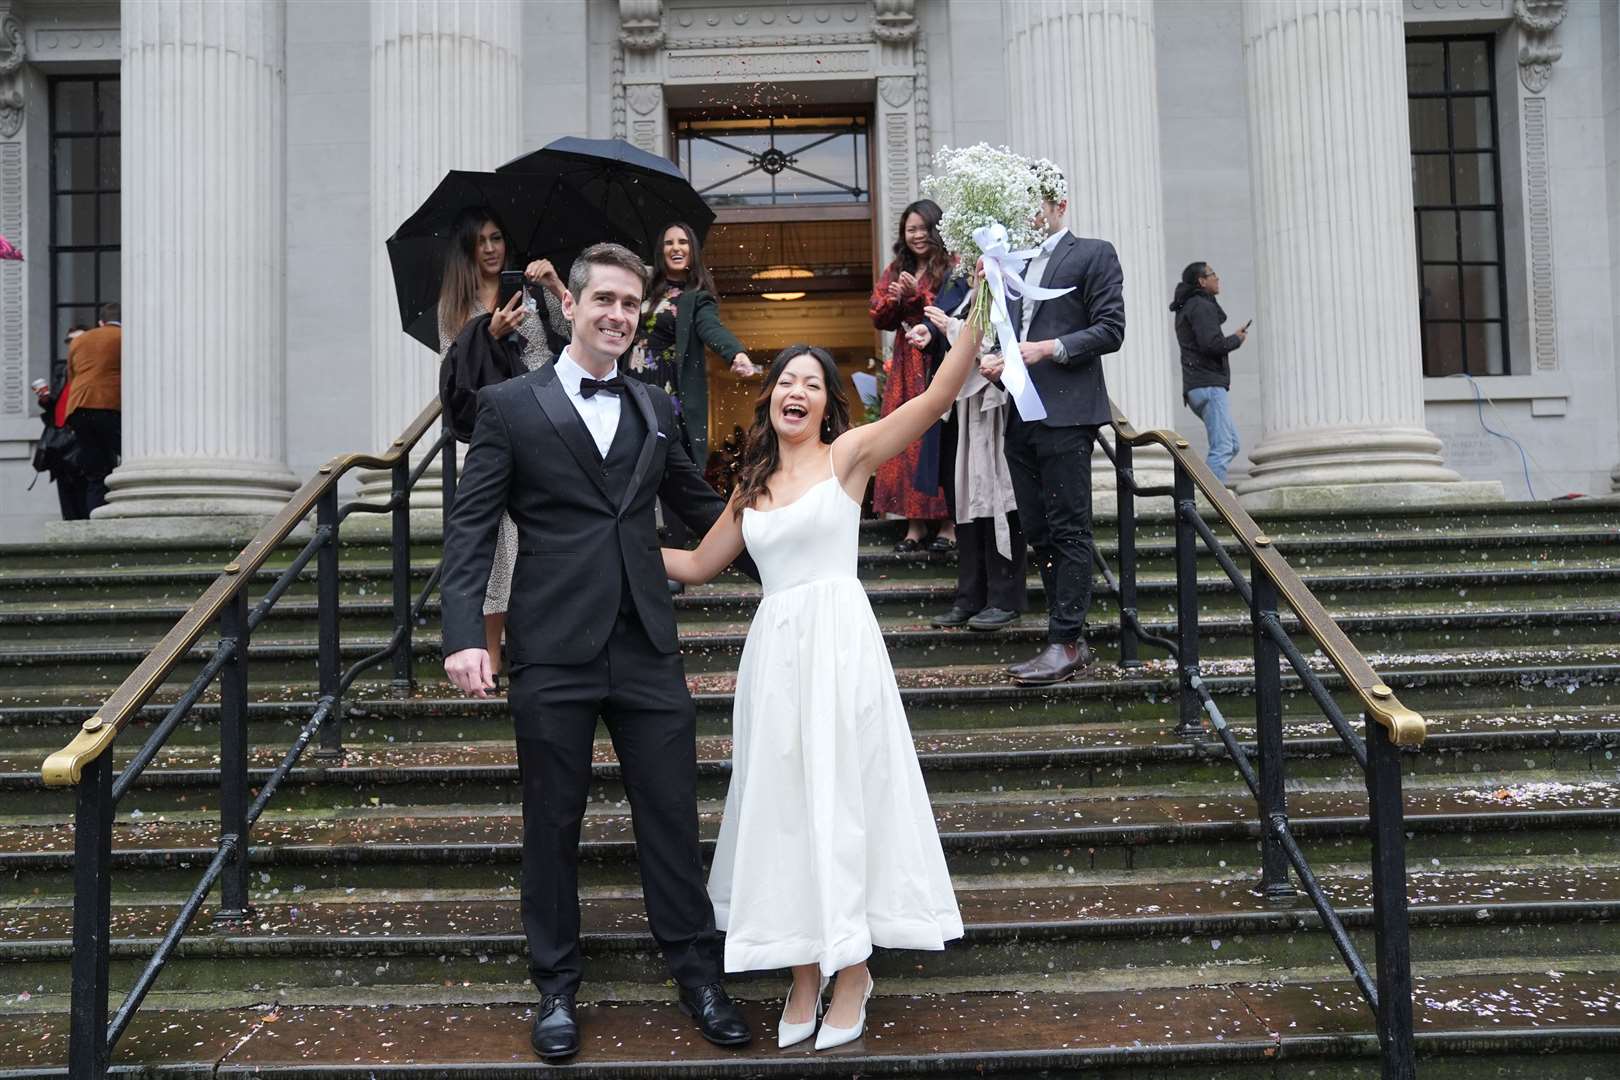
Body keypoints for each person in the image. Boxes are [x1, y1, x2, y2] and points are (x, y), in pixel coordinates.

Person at [440, 243, 754, 1062]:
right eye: (604, 300)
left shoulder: (654, 406)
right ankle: (555, 987)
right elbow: (472, 526)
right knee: (552, 820)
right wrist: (465, 634)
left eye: (629, 303)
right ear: (571, 306)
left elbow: (694, 504)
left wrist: (793, 552)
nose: (617, 314)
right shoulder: (509, 406)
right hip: (551, 647)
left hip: (647, 644)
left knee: (672, 816)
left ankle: (698, 973)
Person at [662, 305, 985, 1052]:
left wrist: (979, 304)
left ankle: (853, 970)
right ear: (770, 397)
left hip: (840, 646)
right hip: (775, 658)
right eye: (785, 381)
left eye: (811, 382)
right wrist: (603, 545)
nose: (796, 390)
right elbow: (693, 566)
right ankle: (805, 969)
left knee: (842, 796)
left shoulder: (850, 457)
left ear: (825, 401)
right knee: (784, 807)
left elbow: (935, 400)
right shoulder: (749, 487)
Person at [1001, 169, 1126, 686]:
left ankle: (1067, 641)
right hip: (1018, 411)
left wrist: (1050, 349)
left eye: (1038, 206)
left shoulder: (1093, 253)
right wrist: (998, 361)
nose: (1030, 217)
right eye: (1022, 208)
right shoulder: (1009, 265)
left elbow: (1111, 328)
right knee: (1038, 529)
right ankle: (1060, 630)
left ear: (1060, 206)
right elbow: (1011, 334)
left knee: (1069, 526)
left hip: (1068, 411)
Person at [436, 205, 570, 674]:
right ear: (468, 249)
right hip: (496, 425)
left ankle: (535, 652)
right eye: (482, 241)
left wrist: (555, 284)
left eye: (497, 238)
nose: (492, 249)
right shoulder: (455, 304)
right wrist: (486, 336)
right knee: (496, 541)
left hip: (549, 417)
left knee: (541, 532)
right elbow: (451, 372)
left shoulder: (530, 289)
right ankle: (489, 657)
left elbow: (578, 332)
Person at [911, 289, 1028, 632]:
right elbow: (954, 340)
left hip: (998, 410)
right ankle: (971, 596)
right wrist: (932, 336)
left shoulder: (1014, 293)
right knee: (967, 501)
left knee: (999, 498)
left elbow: (1001, 344)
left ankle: (1004, 597)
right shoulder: (966, 293)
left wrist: (951, 328)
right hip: (964, 411)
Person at [870, 199, 957, 553]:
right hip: (906, 366)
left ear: (936, 229)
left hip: (938, 361)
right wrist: (896, 300)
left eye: (924, 228)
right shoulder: (895, 269)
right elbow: (878, 316)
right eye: (911, 229)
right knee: (904, 440)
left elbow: (949, 310)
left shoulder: (951, 266)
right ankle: (914, 524)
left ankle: (948, 525)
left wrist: (917, 295)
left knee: (938, 436)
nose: (918, 235)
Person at [1171, 261, 1248, 485]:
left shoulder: (1190, 306)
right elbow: (1211, 345)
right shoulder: (1201, 306)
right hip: (1209, 385)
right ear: (1201, 281)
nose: (1217, 278)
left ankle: (1206, 494)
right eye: (1212, 274)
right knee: (1223, 447)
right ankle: (1212, 503)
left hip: (1199, 385)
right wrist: (1236, 339)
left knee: (1231, 443)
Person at [62, 303, 123, 513]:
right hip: (108, 404)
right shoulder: (124, 336)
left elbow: (72, 375)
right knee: (132, 458)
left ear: (100, 322)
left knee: (95, 472)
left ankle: (96, 518)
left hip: (78, 406)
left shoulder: (79, 340)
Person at [34, 326, 91, 520]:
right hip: (60, 438)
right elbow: (56, 402)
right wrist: (44, 398)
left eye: (79, 340)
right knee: (66, 491)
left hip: (82, 437)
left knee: (86, 490)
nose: (74, 345)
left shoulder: (91, 369)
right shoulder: (62, 369)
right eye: (70, 341)